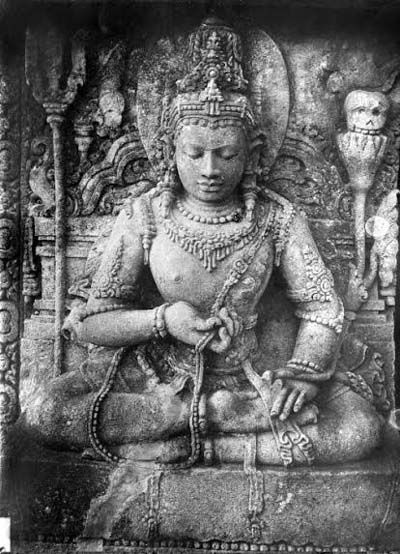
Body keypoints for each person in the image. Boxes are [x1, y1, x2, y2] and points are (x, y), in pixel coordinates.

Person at [22, 18, 384, 467]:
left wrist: (304, 374)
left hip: (250, 374)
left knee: (359, 428)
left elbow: (322, 306)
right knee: (46, 411)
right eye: (194, 153)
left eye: (227, 154)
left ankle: (201, 441)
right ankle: (199, 418)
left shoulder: (277, 218)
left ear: (252, 153)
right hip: (155, 377)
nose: (210, 169)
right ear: (169, 151)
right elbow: (93, 323)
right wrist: (163, 320)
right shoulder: (145, 215)